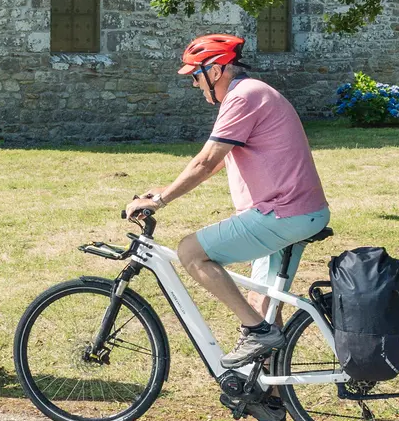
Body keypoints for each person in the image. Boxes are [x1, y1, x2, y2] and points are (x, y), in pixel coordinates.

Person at [126, 34, 330, 378]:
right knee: (263, 303)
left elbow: (207, 161)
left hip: (282, 214)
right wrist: (164, 188)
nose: (193, 83)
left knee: (191, 251)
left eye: (195, 74)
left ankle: (257, 332)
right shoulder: (250, 94)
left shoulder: (244, 97)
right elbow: (219, 159)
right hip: (296, 212)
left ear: (217, 70)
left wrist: (160, 201)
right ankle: (272, 396)